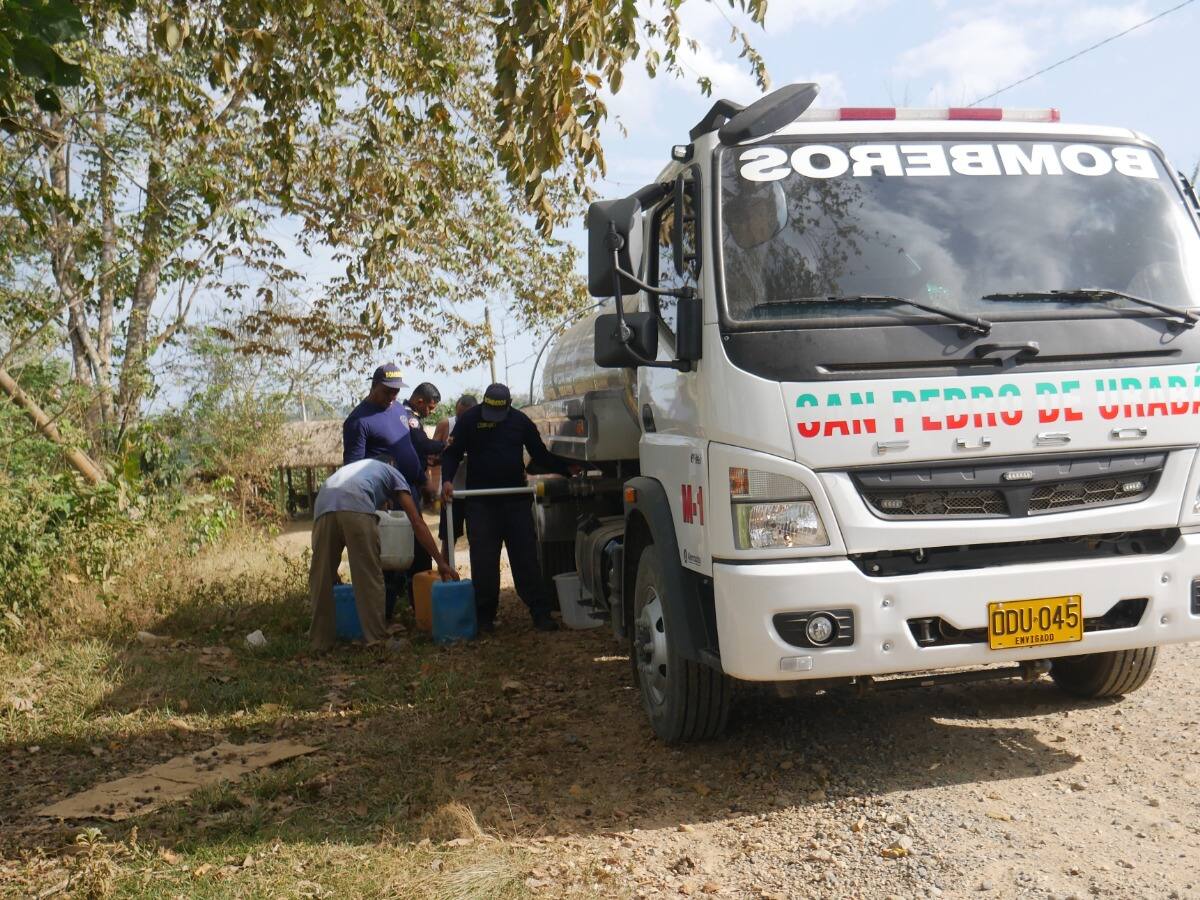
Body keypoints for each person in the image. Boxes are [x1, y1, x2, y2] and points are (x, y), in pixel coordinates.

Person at [441, 383, 576, 633]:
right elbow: (452, 454)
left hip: (515, 502)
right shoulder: (469, 420)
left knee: (526, 558)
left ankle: (540, 613)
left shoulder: (520, 421)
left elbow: (539, 454)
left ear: (508, 404)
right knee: (483, 562)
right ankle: (484, 617)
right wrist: (447, 479)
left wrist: (566, 468)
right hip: (480, 503)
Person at [308, 457, 458, 653]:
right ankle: (376, 640)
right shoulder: (395, 475)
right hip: (356, 502)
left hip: (323, 502)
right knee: (368, 576)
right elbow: (417, 522)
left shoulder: (360, 470)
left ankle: (319, 642)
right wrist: (440, 561)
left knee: (321, 577)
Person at [342, 364, 423, 489]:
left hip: (411, 490)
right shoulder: (358, 421)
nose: (392, 396)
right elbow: (353, 470)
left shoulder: (399, 409)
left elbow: (408, 447)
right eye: (387, 392)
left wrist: (424, 480)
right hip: (386, 496)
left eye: (396, 391)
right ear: (374, 385)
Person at [434, 394, 476, 559]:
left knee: (478, 538)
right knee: (448, 538)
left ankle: (478, 578)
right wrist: (447, 450)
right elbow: (432, 455)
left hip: (475, 492)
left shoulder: (482, 426)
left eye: (465, 417)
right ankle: (446, 575)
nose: (461, 420)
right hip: (451, 491)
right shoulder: (446, 424)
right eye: (459, 416)